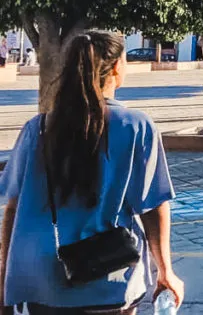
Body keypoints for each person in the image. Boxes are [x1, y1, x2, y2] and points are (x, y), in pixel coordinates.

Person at [0, 31, 184, 314]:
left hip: (43, 281)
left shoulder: (37, 129)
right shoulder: (136, 126)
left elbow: (13, 207)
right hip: (109, 275)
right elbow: (153, 206)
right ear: (116, 68)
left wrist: (4, 277)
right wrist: (166, 271)